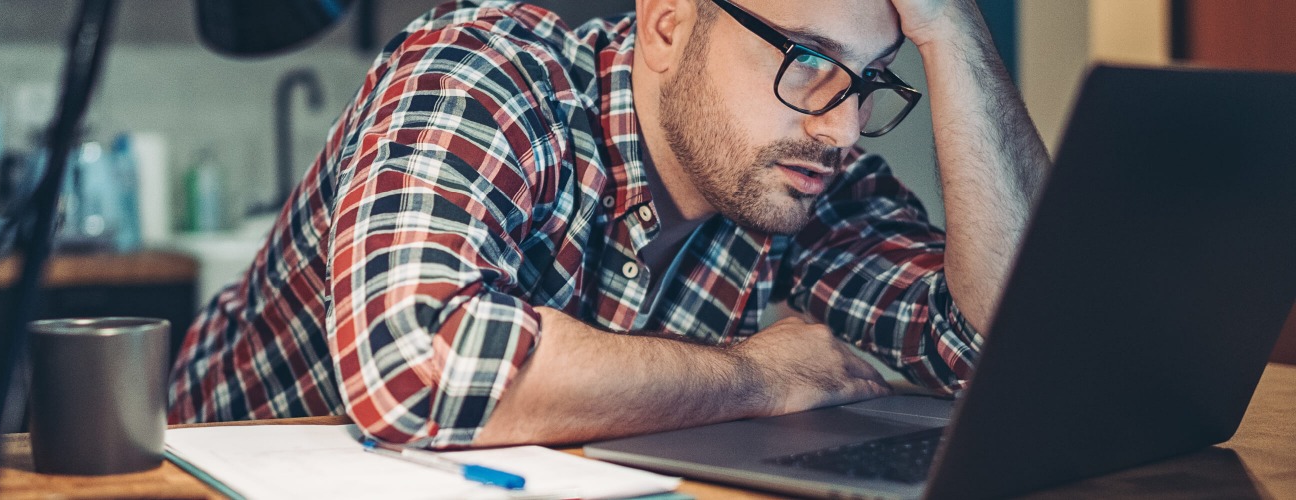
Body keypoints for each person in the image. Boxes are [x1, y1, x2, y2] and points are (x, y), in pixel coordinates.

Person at [168, 0, 1051, 449]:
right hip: (191, 477)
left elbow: (1005, 348)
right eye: (810, 60)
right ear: (668, 26)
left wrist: (954, 32)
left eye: (871, 81)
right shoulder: (489, 72)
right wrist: (756, 376)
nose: (842, 127)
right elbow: (421, 367)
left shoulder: (810, 181)